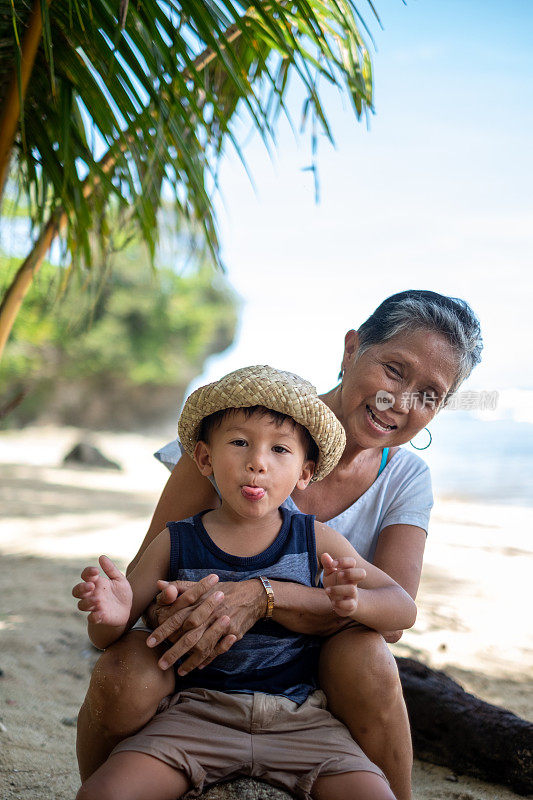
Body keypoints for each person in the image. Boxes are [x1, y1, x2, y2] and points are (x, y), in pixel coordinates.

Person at [75, 290, 483, 800]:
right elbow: (151, 578)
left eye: (430, 395)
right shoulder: (248, 427)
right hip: (203, 669)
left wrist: (265, 596)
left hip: (310, 680)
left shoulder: (404, 479)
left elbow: (394, 615)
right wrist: (175, 605)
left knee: (369, 654)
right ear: (352, 349)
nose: (400, 403)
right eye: (394, 371)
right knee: (128, 666)